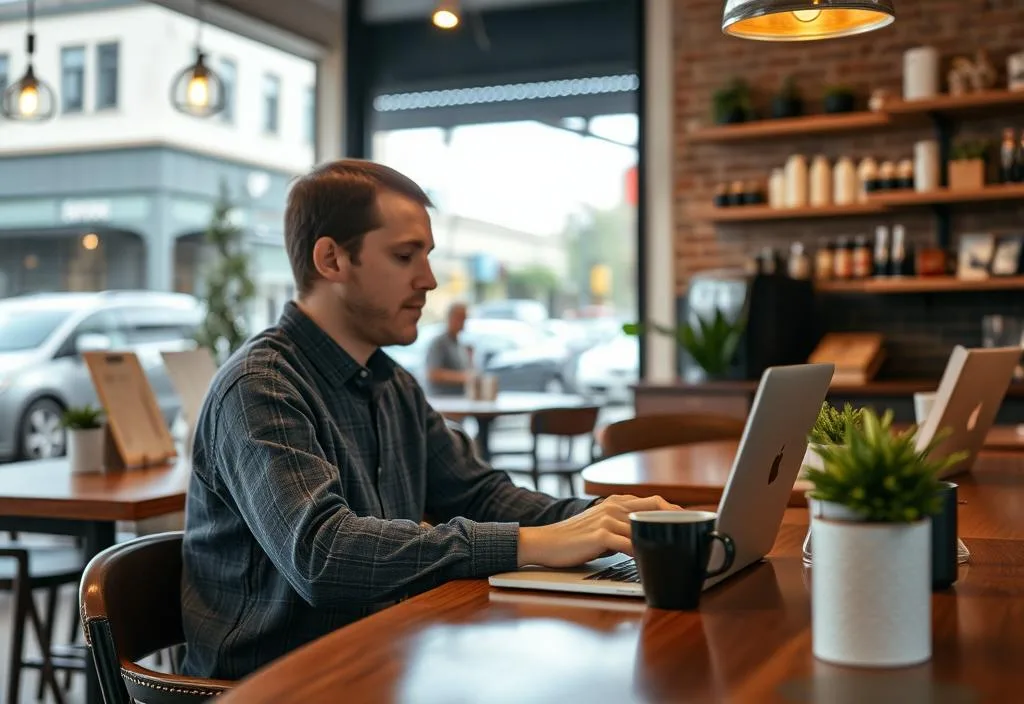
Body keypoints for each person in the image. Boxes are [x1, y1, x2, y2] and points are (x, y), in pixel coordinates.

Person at [179, 159, 679, 680]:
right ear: (330, 259)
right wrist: (532, 543)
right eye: (404, 256)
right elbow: (322, 554)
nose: (430, 280)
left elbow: (480, 495)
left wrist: (605, 522)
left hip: (378, 662)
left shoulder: (391, 383)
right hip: (270, 688)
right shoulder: (261, 386)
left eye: (428, 256)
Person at [425, 301, 472, 396]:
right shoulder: (439, 343)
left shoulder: (460, 344)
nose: (463, 322)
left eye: (464, 318)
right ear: (450, 318)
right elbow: (433, 374)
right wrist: (463, 377)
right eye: (460, 318)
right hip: (442, 399)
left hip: (459, 398)